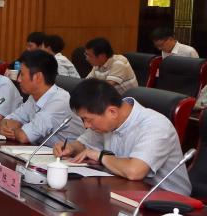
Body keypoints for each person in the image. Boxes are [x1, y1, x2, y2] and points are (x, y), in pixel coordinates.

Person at [54, 79, 191, 195]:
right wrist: (70, 148)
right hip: (125, 191)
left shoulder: (156, 125)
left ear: (112, 112)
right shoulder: (108, 121)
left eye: (88, 119)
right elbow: (84, 145)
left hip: (168, 201)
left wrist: (101, 156)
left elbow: (134, 171)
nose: (86, 125)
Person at [0, 50, 83, 145]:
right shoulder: (34, 97)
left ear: (38, 77)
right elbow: (7, 120)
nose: (18, 80)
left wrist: (17, 128)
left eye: (22, 74)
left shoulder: (59, 101)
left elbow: (24, 137)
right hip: (42, 151)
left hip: (68, 154)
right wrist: (5, 127)